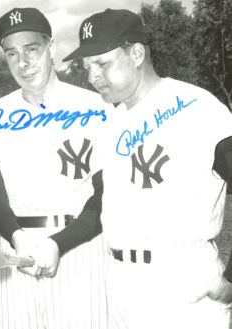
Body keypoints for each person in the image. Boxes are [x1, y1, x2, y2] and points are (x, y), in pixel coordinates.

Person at [63, 8, 232, 329]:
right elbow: (102, 201)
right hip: (120, 280)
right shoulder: (109, 120)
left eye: (101, 63)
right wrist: (55, 243)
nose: (91, 76)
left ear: (137, 53)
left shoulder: (200, 107)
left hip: (183, 279)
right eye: (86, 66)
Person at [0, 7, 110, 329]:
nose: (23, 62)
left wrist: (57, 243)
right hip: (15, 250)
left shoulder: (96, 108)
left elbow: (107, 194)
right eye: (11, 53)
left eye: (31, 49)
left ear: (52, 48)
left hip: (80, 248)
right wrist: (18, 239)